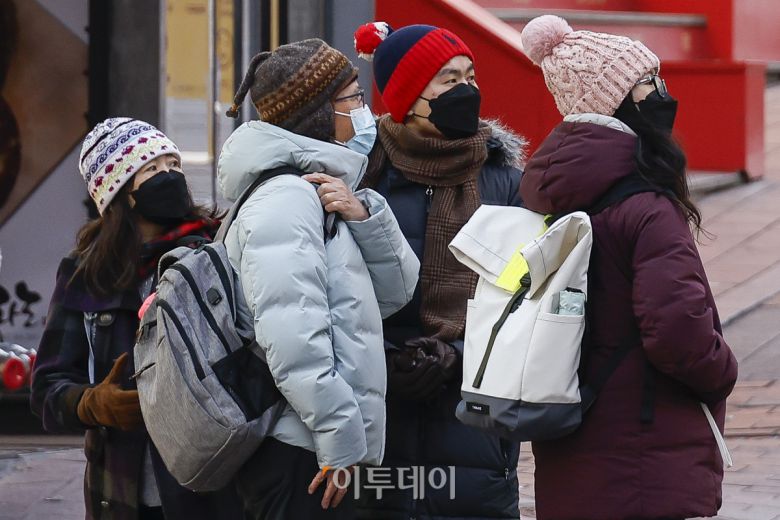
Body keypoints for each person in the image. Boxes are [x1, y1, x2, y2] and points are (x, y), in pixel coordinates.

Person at [518, 15, 739, 520]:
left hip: (577, 440)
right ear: (613, 102)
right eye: (646, 83)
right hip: (646, 449)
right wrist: (722, 370)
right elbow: (680, 334)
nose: (661, 93)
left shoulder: (554, 194)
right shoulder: (646, 207)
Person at [219, 38, 419, 519]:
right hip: (301, 448)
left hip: (325, 445)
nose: (363, 111)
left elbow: (393, 296)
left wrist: (366, 215)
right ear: (316, 111)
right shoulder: (285, 200)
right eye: (352, 98)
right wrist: (340, 439)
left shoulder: (325, 192)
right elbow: (293, 340)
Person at [351, 21, 526, 520]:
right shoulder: (365, 181)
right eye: (449, 80)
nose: (466, 90)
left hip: (473, 431)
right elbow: (336, 297)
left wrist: (453, 354)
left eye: (470, 76)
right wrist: (387, 360)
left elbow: (522, 303)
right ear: (408, 96)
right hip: (382, 415)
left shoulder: (505, 184)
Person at [30, 118, 243, 520]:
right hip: (123, 491)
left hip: (211, 481)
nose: (170, 177)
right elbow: (47, 386)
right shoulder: (85, 273)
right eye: (152, 170)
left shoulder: (215, 247)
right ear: (121, 192)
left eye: (173, 166)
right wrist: (94, 404)